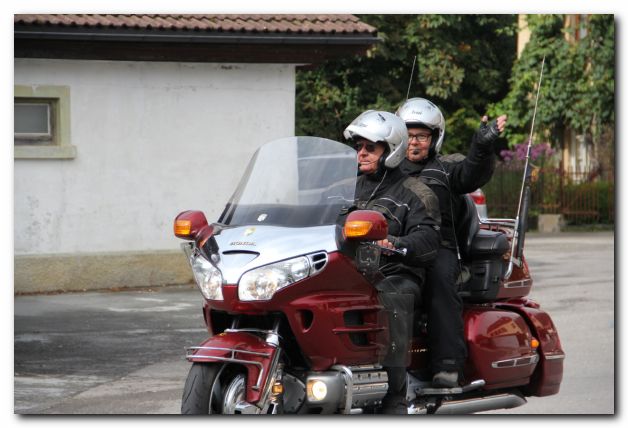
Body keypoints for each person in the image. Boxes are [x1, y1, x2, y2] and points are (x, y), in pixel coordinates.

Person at [395, 97, 507, 388]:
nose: (414, 142)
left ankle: (447, 364)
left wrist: (482, 147)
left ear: (434, 139)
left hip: (437, 247)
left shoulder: (446, 169)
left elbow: (471, 174)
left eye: (421, 136)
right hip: (393, 245)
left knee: (440, 283)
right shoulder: (386, 172)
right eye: (408, 135)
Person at [343, 110, 441, 413]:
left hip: (394, 273)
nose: (361, 153)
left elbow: (428, 242)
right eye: (359, 146)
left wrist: (396, 243)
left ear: (392, 150)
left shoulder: (416, 192)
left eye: (369, 147)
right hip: (349, 272)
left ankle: (394, 397)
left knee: (391, 299)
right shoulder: (346, 187)